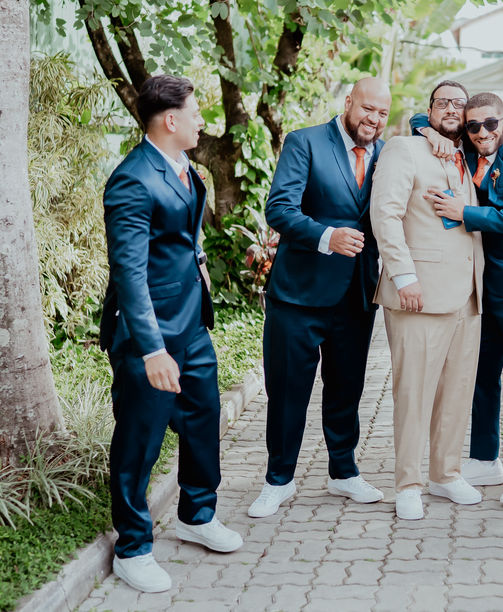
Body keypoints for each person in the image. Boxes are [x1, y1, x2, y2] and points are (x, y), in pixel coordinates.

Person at [100, 74, 243, 595]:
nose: (202, 120)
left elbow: (183, 238)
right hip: (151, 336)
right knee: (140, 440)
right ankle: (133, 548)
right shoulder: (132, 180)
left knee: (204, 419)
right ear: (170, 119)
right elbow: (129, 274)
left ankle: (197, 515)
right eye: (196, 111)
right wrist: (152, 349)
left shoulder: (184, 167)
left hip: (192, 326)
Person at [249, 77, 393, 518]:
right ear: (348, 102)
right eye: (367, 108)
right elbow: (280, 208)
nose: (373, 119)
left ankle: (343, 472)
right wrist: (327, 236)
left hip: (357, 294)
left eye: (383, 113)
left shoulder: (387, 154)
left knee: (347, 388)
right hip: (299, 295)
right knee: (288, 390)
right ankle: (278, 480)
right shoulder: (305, 142)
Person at [410, 93, 503, 506]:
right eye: (473, 126)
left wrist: (464, 213)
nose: (481, 132)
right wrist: (428, 130)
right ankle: (485, 458)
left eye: (490, 124)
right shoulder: (467, 150)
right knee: (480, 376)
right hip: (480, 285)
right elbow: (423, 117)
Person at [370, 80, 486, 520]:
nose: (451, 109)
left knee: (456, 391)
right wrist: (404, 276)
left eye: (460, 103)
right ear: (430, 110)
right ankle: (408, 483)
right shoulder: (404, 148)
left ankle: (445, 474)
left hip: (468, 295)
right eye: (442, 103)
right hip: (418, 293)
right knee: (413, 394)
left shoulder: (467, 153)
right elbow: (386, 214)